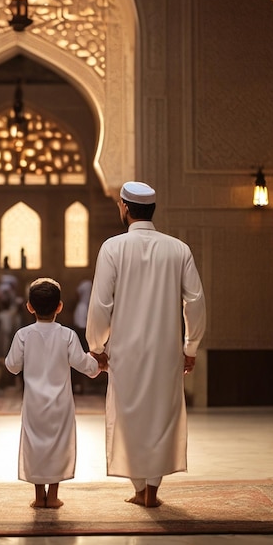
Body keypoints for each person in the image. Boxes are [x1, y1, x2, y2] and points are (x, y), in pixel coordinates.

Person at [86, 181, 206, 508]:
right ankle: (152, 489)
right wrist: (190, 347)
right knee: (161, 416)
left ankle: (139, 488)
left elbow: (101, 305)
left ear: (124, 208)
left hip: (124, 352)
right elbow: (194, 302)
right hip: (167, 352)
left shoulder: (113, 248)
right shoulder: (177, 249)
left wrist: (97, 345)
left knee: (128, 416)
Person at [5, 278, 105, 509]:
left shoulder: (23, 335)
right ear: (60, 306)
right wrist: (98, 362)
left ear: (29, 306)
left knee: (35, 445)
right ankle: (54, 495)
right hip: (60, 402)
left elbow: (12, 365)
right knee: (59, 445)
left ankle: (39, 496)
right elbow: (84, 365)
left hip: (33, 403)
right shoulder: (67, 335)